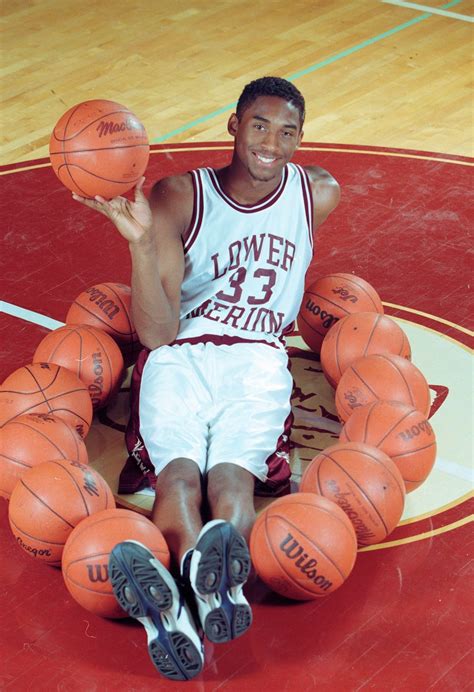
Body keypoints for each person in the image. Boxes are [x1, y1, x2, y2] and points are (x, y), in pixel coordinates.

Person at [73, 76, 340, 681]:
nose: (271, 142)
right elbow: (158, 332)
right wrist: (141, 244)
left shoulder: (317, 194)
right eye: (259, 125)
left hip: (257, 361)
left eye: (287, 130)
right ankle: (217, 597)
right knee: (177, 481)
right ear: (233, 125)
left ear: (302, 137)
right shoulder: (178, 197)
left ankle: (175, 611)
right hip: (182, 353)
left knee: (232, 485)